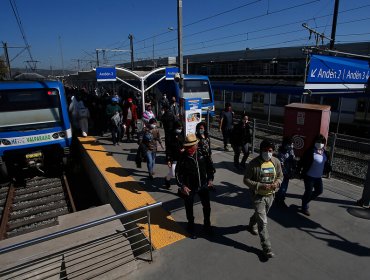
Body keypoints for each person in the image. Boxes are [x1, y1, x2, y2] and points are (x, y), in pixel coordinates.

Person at [243, 139, 283, 258]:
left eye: (270, 151)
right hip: (258, 197)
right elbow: (246, 180)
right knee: (263, 223)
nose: (267, 153)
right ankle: (267, 248)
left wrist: (277, 183)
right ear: (260, 151)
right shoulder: (253, 163)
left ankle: (251, 224)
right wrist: (259, 185)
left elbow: (281, 176)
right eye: (265, 151)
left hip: (271, 195)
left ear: (273, 151)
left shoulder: (276, 162)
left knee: (261, 215)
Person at [175, 133, 215, 238]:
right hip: (189, 187)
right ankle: (191, 225)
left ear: (195, 145)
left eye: (190, 146)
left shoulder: (203, 153)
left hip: (203, 185)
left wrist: (210, 179)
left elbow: (210, 167)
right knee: (189, 207)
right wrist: (182, 186)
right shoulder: (182, 157)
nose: (188, 148)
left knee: (207, 206)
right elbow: (177, 174)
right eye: (186, 146)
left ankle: (207, 225)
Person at [298, 134, 332, 216]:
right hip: (309, 176)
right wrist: (298, 171)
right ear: (314, 142)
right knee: (308, 192)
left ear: (324, 143)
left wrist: (328, 169)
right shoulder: (310, 151)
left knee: (319, 191)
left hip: (318, 177)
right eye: (317, 141)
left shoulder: (325, 153)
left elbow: (325, 163)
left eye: (321, 142)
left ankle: (305, 201)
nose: (319, 143)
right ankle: (304, 207)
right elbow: (302, 162)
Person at [275, 136, 297, 208]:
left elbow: (293, 158)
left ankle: (278, 197)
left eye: (292, 144)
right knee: (283, 187)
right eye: (290, 144)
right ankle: (280, 200)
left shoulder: (290, 150)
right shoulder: (282, 153)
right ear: (285, 144)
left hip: (288, 171)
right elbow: (281, 165)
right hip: (283, 173)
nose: (291, 145)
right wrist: (286, 173)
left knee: (284, 186)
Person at [164, 121, 185, 189]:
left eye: (181, 128)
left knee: (182, 173)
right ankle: (167, 179)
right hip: (173, 158)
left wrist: (183, 149)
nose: (180, 129)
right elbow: (168, 149)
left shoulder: (181, 135)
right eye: (179, 128)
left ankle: (182, 186)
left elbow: (183, 144)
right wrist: (168, 160)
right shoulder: (170, 136)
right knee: (173, 173)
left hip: (181, 157)